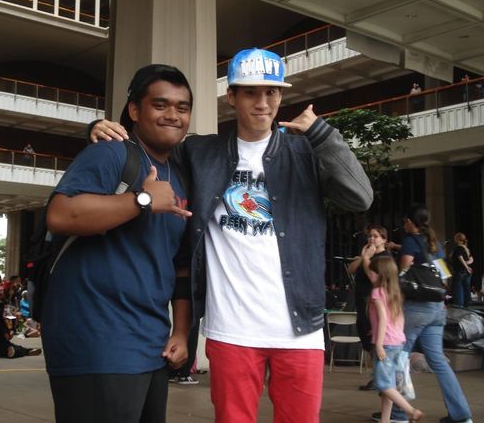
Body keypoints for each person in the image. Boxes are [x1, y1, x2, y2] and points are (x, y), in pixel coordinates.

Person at [91, 48, 373, 423]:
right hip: (232, 329)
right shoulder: (201, 152)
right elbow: (151, 145)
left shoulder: (304, 152)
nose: (262, 102)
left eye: (271, 93)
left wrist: (323, 133)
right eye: (251, 93)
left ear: (281, 97)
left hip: (299, 328)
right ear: (232, 97)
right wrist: (98, 129)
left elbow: (361, 197)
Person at [42, 64, 194, 423]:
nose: (172, 115)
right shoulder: (110, 155)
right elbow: (60, 215)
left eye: (182, 107)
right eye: (160, 105)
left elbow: (180, 264)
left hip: (151, 345)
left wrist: (182, 331)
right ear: (135, 111)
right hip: (96, 340)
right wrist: (141, 200)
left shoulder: (182, 173)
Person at [374, 205, 473, 423]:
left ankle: (399, 413)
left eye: (405, 221)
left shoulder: (411, 240)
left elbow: (404, 273)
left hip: (416, 308)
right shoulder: (434, 243)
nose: (404, 224)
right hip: (437, 308)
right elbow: (444, 275)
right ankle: (462, 415)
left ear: (410, 222)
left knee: (400, 356)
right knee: (438, 361)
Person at [368, 257, 424, 423]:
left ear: (381, 274)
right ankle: (385, 420)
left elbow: (383, 318)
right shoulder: (395, 292)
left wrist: (378, 343)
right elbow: (397, 319)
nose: (369, 273)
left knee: (383, 384)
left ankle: (411, 411)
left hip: (385, 343)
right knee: (389, 385)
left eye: (372, 271)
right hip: (398, 342)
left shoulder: (376, 292)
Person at [348, 225, 391, 391]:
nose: (372, 239)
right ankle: (376, 375)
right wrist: (363, 256)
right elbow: (352, 269)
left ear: (384, 240)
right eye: (370, 236)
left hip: (373, 302)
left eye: (376, 236)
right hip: (361, 301)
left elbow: (374, 279)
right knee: (366, 337)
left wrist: (367, 259)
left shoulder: (384, 258)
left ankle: (379, 377)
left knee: (373, 338)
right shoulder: (367, 255)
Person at [450, 233, 474, 308]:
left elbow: (460, 258)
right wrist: (468, 264)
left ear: (457, 239)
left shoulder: (458, 248)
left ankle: (460, 306)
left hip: (460, 271)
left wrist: (466, 266)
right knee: (466, 289)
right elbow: (471, 259)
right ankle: (467, 305)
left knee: (457, 289)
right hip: (467, 272)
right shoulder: (466, 248)